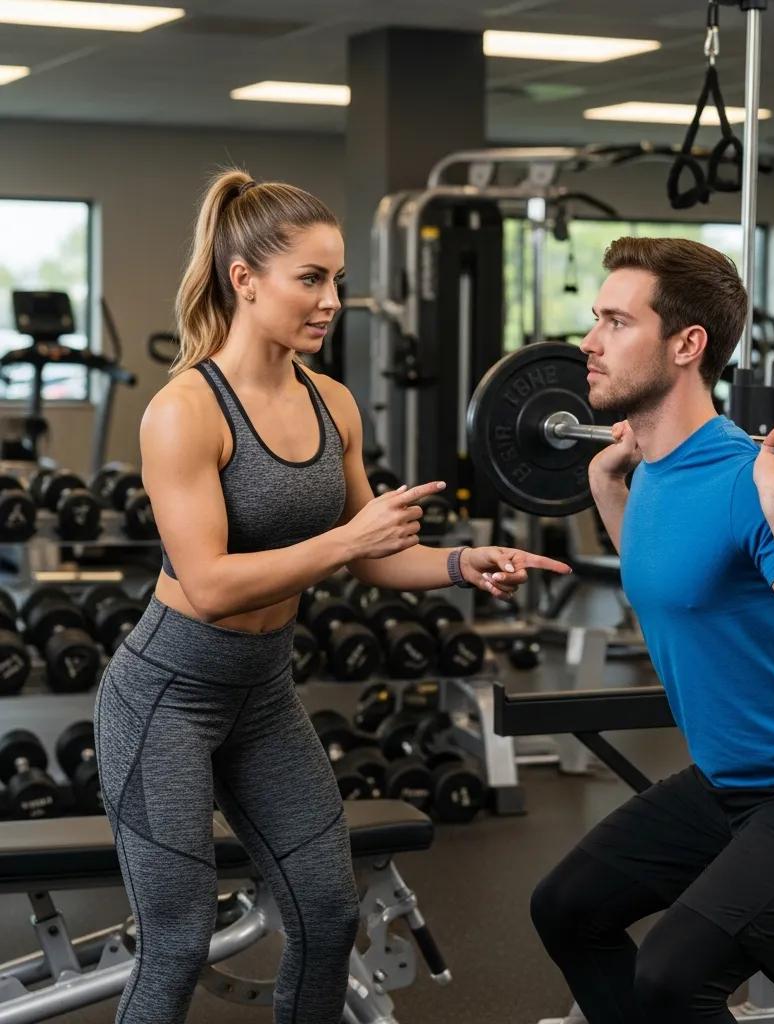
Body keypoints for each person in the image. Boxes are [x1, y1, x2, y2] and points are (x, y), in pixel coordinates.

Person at [93, 168, 570, 1024]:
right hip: (164, 699)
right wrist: (349, 541)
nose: (330, 301)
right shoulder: (184, 411)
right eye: (310, 279)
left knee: (328, 911)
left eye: (337, 281)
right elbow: (205, 583)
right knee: (177, 939)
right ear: (244, 279)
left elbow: (377, 561)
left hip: (263, 696)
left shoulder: (334, 404)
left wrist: (464, 564)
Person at [530, 236, 774, 1024]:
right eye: (594, 319)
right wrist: (608, 489)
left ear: (686, 344)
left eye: (614, 321)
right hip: (737, 780)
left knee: (673, 981)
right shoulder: (653, 469)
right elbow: (671, 579)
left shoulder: (754, 480)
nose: (589, 340)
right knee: (566, 907)